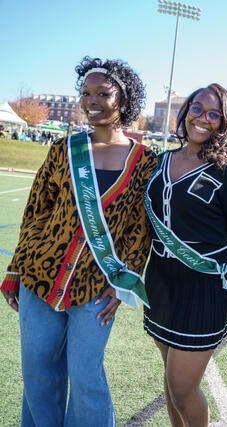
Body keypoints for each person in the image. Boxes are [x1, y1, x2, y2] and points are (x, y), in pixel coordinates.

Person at [0, 56, 156, 426]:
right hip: (40, 280)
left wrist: (123, 284)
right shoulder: (62, 149)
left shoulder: (147, 162)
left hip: (96, 289)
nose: (92, 101)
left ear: (124, 98)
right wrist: (15, 270)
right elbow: (36, 211)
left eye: (103, 93)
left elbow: (140, 231)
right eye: (86, 93)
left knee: (87, 379)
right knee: (38, 375)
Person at [143, 83, 227, 426]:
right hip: (161, 285)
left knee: (182, 387)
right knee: (170, 381)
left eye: (214, 114)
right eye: (197, 108)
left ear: (224, 123)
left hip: (205, 290)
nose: (202, 119)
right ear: (186, 110)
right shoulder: (163, 160)